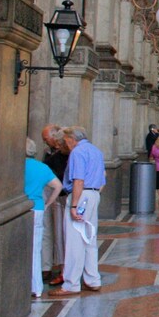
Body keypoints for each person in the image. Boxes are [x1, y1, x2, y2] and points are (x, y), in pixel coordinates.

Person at [50, 127, 106, 297]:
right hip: (94, 194)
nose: (64, 144)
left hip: (81, 196)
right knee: (89, 237)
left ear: (70, 139)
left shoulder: (77, 152)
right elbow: (103, 176)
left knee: (74, 240)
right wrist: (93, 196)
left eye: (65, 140)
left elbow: (78, 180)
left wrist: (75, 205)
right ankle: (92, 279)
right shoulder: (95, 150)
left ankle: (71, 284)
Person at [25, 138, 62, 298]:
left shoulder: (15, 167)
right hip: (38, 208)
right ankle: (37, 287)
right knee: (35, 248)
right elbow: (58, 186)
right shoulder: (42, 167)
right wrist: (47, 203)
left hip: (21, 208)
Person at [41, 124, 67, 285]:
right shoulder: (49, 153)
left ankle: (63, 268)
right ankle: (47, 267)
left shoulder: (67, 155)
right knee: (47, 231)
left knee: (60, 233)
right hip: (49, 194)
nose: (45, 142)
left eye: (47, 139)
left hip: (61, 196)